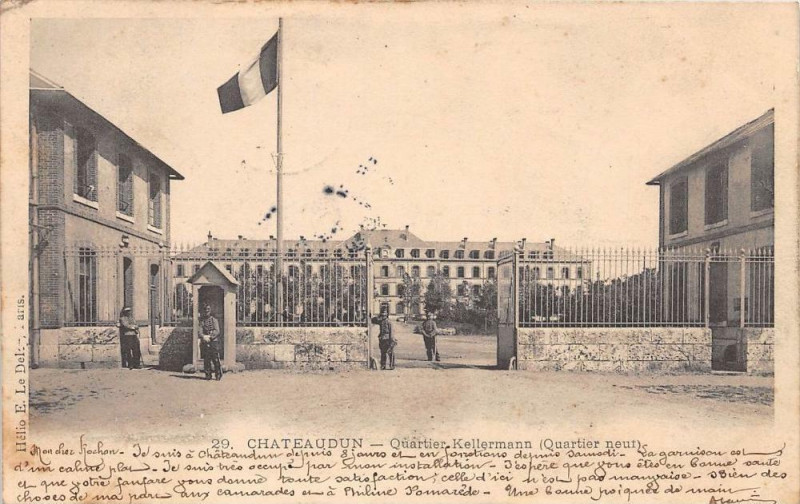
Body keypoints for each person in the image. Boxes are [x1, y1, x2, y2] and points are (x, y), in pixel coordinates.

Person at [199, 303, 222, 381]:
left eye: (208, 309)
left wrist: (210, 336)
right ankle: (208, 375)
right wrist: (203, 336)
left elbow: (217, 331)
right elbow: (200, 331)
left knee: (215, 359)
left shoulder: (214, 320)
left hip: (213, 341)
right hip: (205, 341)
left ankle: (218, 374)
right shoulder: (202, 321)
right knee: (206, 359)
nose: (207, 311)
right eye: (205, 310)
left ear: (210, 310)